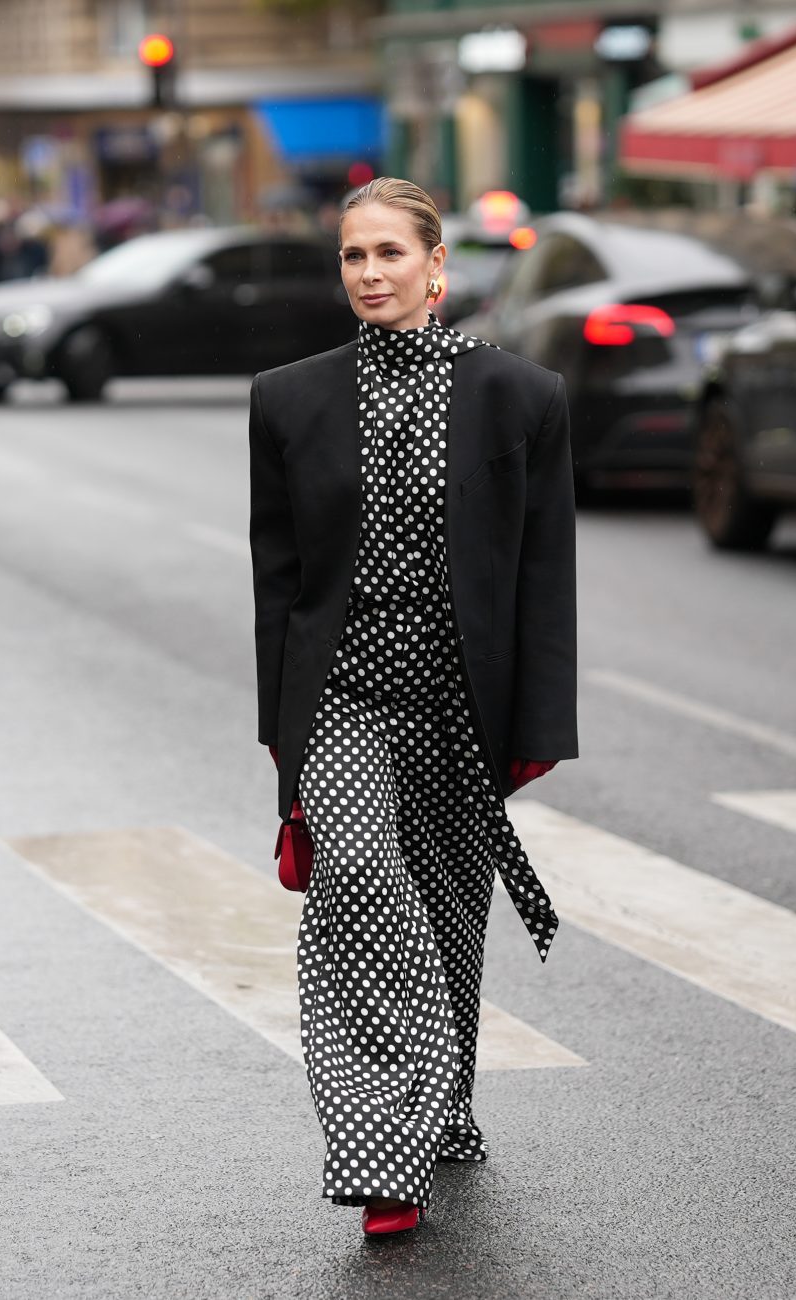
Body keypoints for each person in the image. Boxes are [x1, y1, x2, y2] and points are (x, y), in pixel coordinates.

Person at [247, 177, 577, 1236]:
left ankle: (442, 1108)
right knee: (358, 888)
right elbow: (278, 579)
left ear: (437, 267)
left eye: (389, 253)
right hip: (342, 698)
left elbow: (542, 577)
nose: (369, 274)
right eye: (352, 256)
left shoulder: (520, 398)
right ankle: (385, 1154)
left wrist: (535, 731)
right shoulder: (288, 398)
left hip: (458, 704)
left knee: (445, 914)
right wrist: (283, 739)